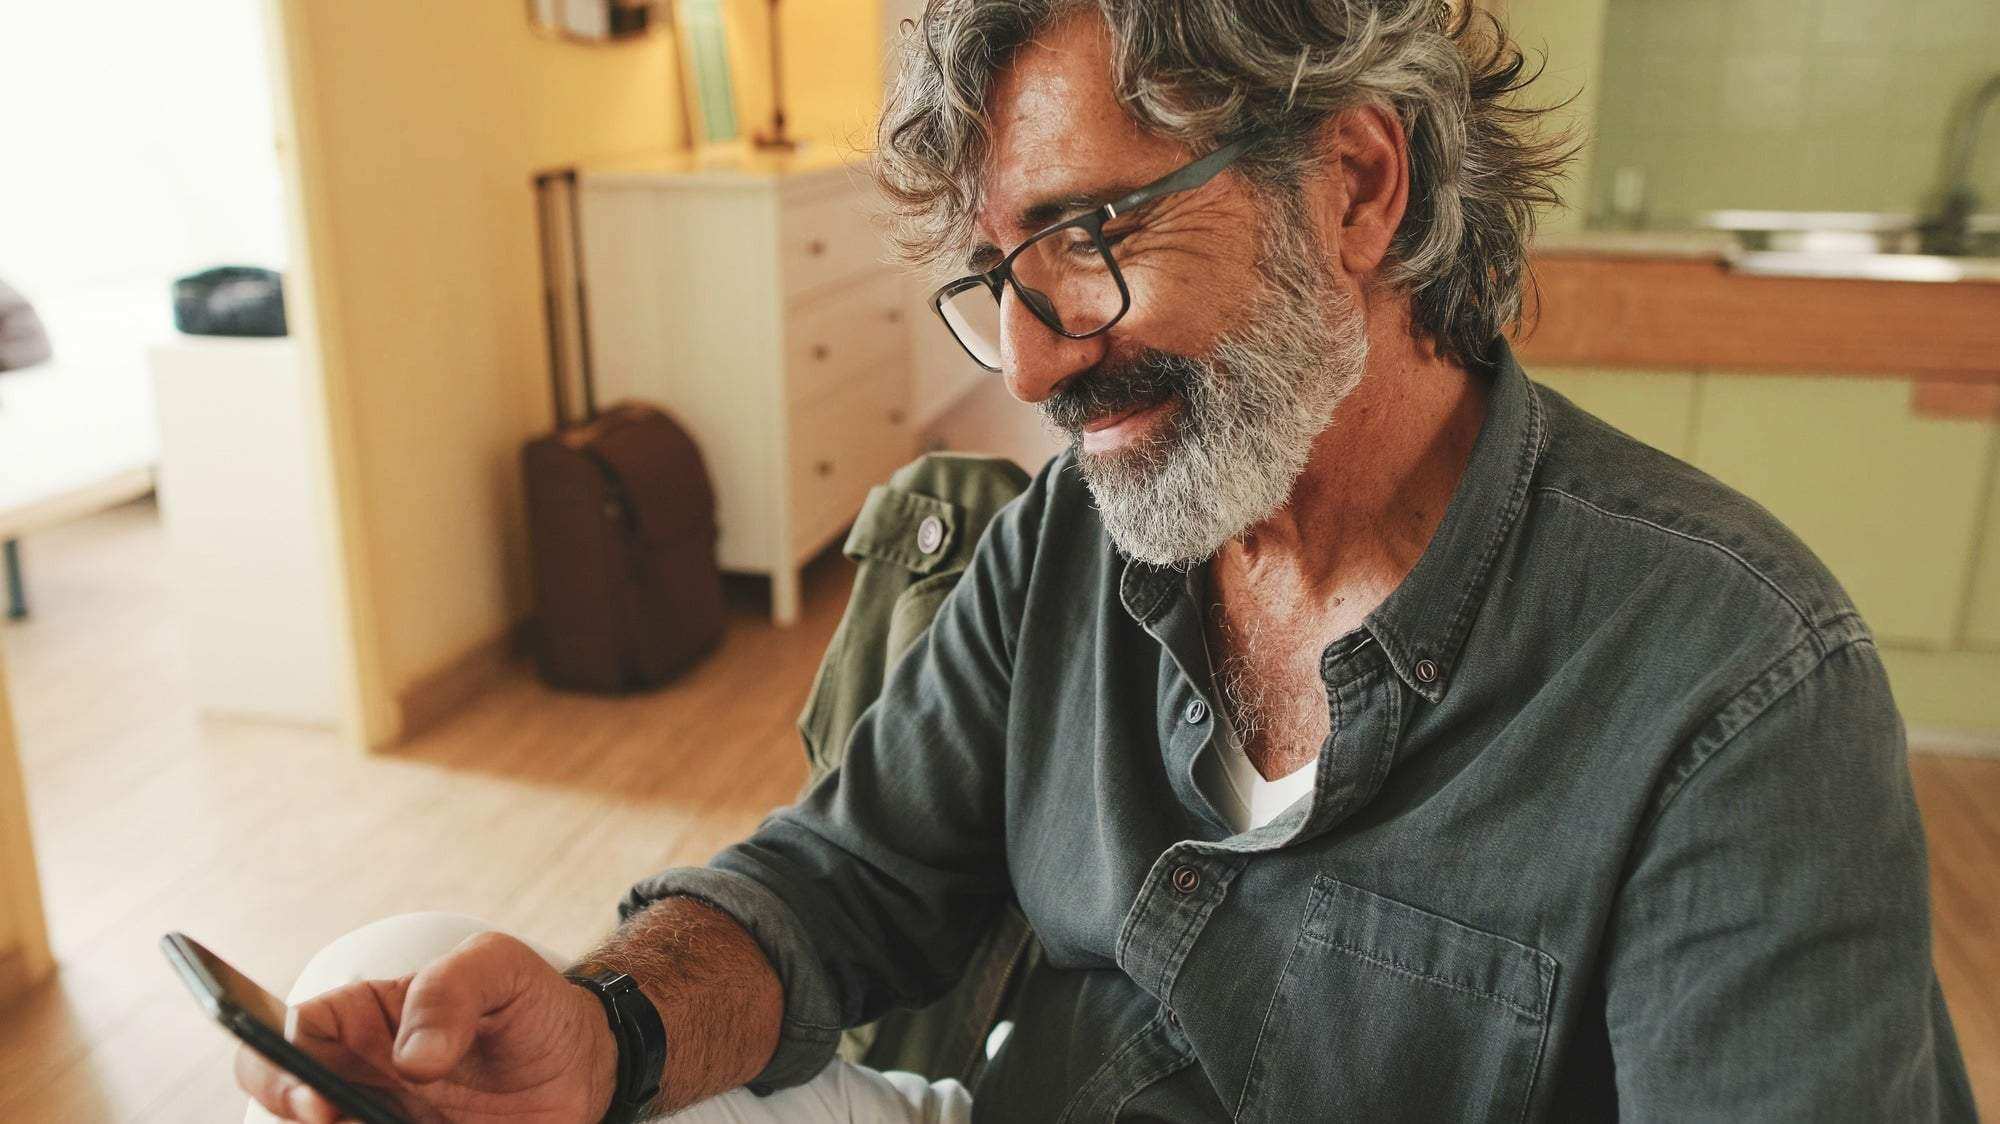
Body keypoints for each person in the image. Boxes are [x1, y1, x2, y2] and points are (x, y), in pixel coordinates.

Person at [239, 1, 1977, 1121]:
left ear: (1357, 187)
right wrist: (599, 1031)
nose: (1033, 357)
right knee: (415, 971)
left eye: (1087, 235)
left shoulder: (1734, 689)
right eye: (997, 269)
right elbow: (842, 882)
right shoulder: (1078, 546)